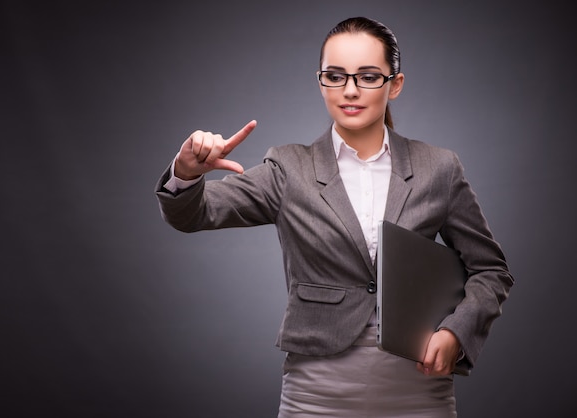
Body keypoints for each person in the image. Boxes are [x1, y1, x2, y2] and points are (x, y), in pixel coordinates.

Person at [155, 16, 514, 418]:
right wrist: (186, 173)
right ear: (320, 81)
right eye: (335, 76)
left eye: (367, 77)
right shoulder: (287, 167)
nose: (350, 90)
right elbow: (195, 213)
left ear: (395, 84)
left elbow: (491, 270)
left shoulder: (439, 168)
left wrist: (455, 332)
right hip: (315, 391)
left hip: (419, 385)